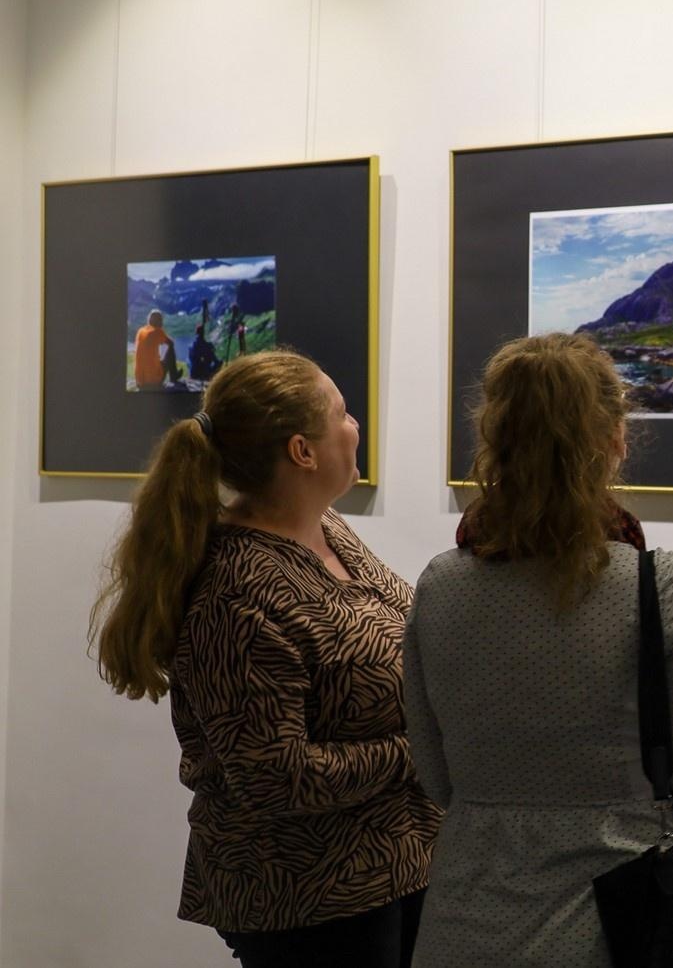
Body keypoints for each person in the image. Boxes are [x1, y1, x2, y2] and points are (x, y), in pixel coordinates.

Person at [89, 350, 440, 968]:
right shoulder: (239, 593)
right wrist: (427, 751)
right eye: (342, 412)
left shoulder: (329, 529)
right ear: (302, 451)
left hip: (397, 869)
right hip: (309, 896)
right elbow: (277, 777)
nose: (354, 426)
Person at [404, 333, 673, 967]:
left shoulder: (440, 586)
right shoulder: (659, 586)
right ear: (615, 439)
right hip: (620, 932)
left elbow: (439, 783)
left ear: (493, 440)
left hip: (462, 933)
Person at [132, 308, 179, 390]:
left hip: (139, 382)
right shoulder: (158, 331)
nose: (162, 322)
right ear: (158, 321)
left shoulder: (140, 331)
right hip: (153, 382)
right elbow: (171, 342)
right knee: (170, 349)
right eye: (161, 319)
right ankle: (174, 376)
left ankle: (173, 375)